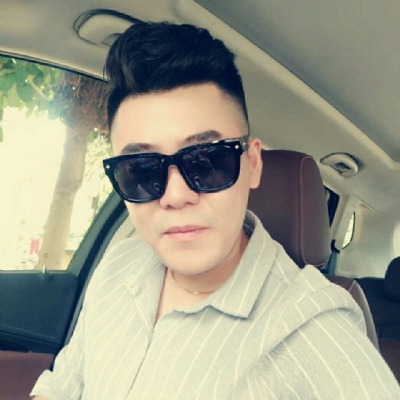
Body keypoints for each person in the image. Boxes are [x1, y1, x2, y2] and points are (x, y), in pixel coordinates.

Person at [31, 22, 400, 399]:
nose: (175, 195)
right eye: (141, 170)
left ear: (252, 164)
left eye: (207, 162)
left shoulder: (314, 330)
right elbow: (60, 387)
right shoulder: (119, 265)